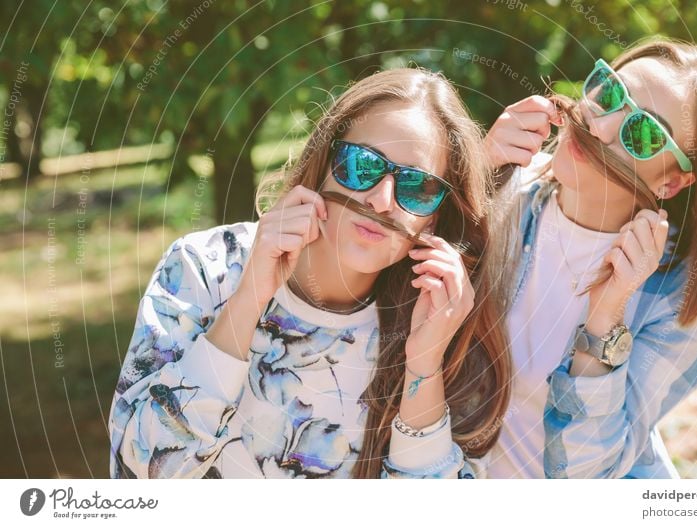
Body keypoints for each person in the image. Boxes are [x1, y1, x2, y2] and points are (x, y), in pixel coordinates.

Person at [108, 68, 511, 478]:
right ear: (323, 162)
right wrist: (249, 295)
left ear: (435, 219)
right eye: (363, 165)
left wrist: (423, 365)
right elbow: (141, 470)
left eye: (417, 187)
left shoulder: (441, 324)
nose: (381, 199)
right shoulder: (204, 267)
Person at [483, 39, 697, 478]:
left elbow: (586, 475)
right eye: (609, 92)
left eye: (641, 132)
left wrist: (605, 318)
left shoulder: (686, 295)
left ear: (672, 182)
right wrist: (472, 180)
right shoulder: (505, 189)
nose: (600, 126)